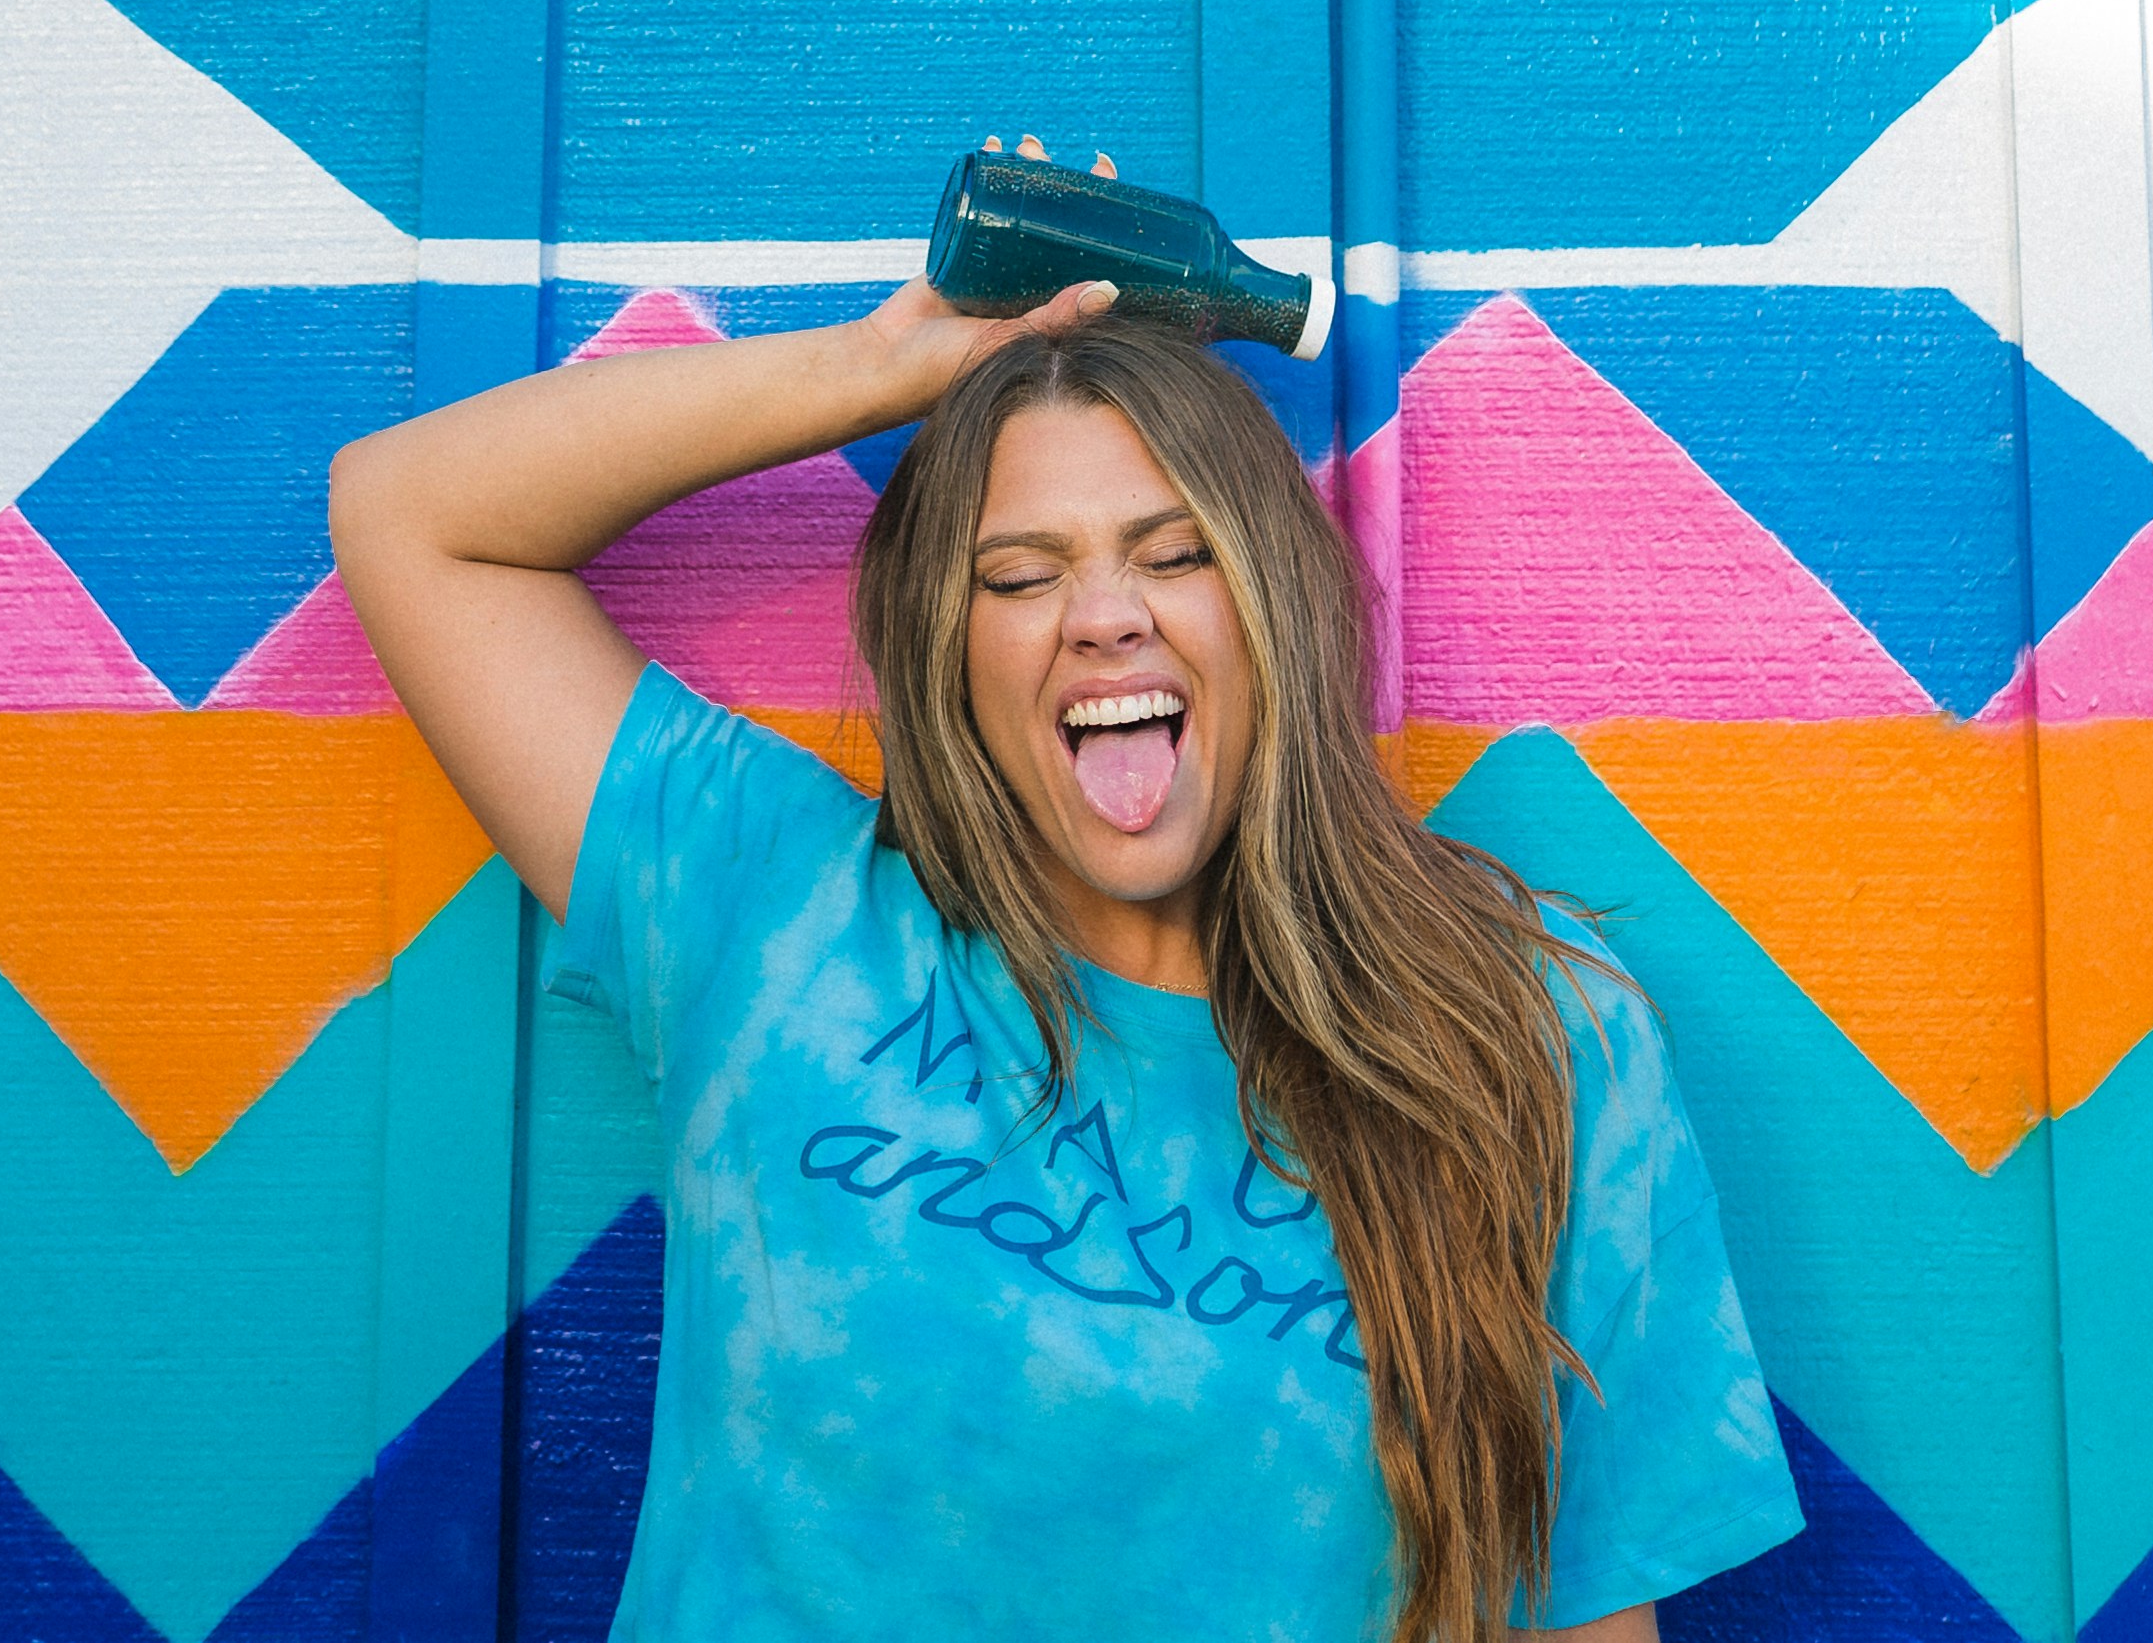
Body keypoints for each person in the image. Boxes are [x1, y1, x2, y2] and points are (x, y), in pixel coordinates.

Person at [332, 139, 1803, 1642]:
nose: (1102, 617)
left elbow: (1579, 1615)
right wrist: (883, 365)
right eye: (1019, 575)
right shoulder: (769, 910)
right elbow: (413, 513)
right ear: (944, 646)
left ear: (1277, 607)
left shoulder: (1527, 1028)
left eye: (1172, 555)